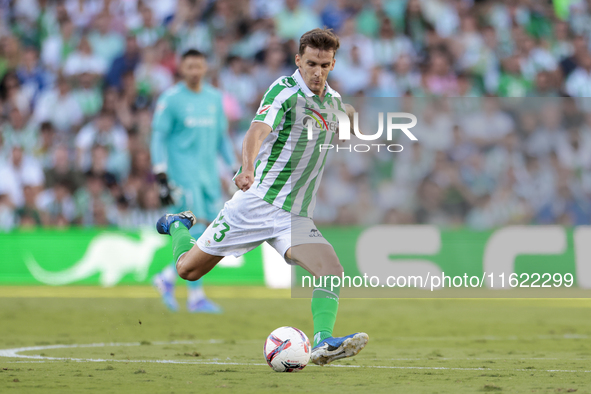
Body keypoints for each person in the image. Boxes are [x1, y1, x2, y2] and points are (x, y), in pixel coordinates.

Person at [155, 29, 368, 365]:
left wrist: (351, 120)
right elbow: (256, 131)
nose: (317, 71)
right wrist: (247, 168)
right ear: (298, 60)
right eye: (311, 63)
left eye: (325, 65)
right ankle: (177, 225)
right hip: (256, 204)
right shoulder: (283, 92)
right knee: (188, 271)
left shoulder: (333, 101)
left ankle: (324, 342)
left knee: (331, 270)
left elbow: (345, 120)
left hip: (294, 216)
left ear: (333, 64)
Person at [150, 49, 236, 313]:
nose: (195, 71)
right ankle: (195, 295)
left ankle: (167, 277)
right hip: (183, 175)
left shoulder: (214, 98)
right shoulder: (172, 99)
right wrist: (161, 173)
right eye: (190, 66)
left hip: (208, 176)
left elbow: (221, 137)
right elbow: (158, 136)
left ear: (205, 67)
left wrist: (234, 167)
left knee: (209, 231)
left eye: (199, 66)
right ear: (181, 69)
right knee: (194, 228)